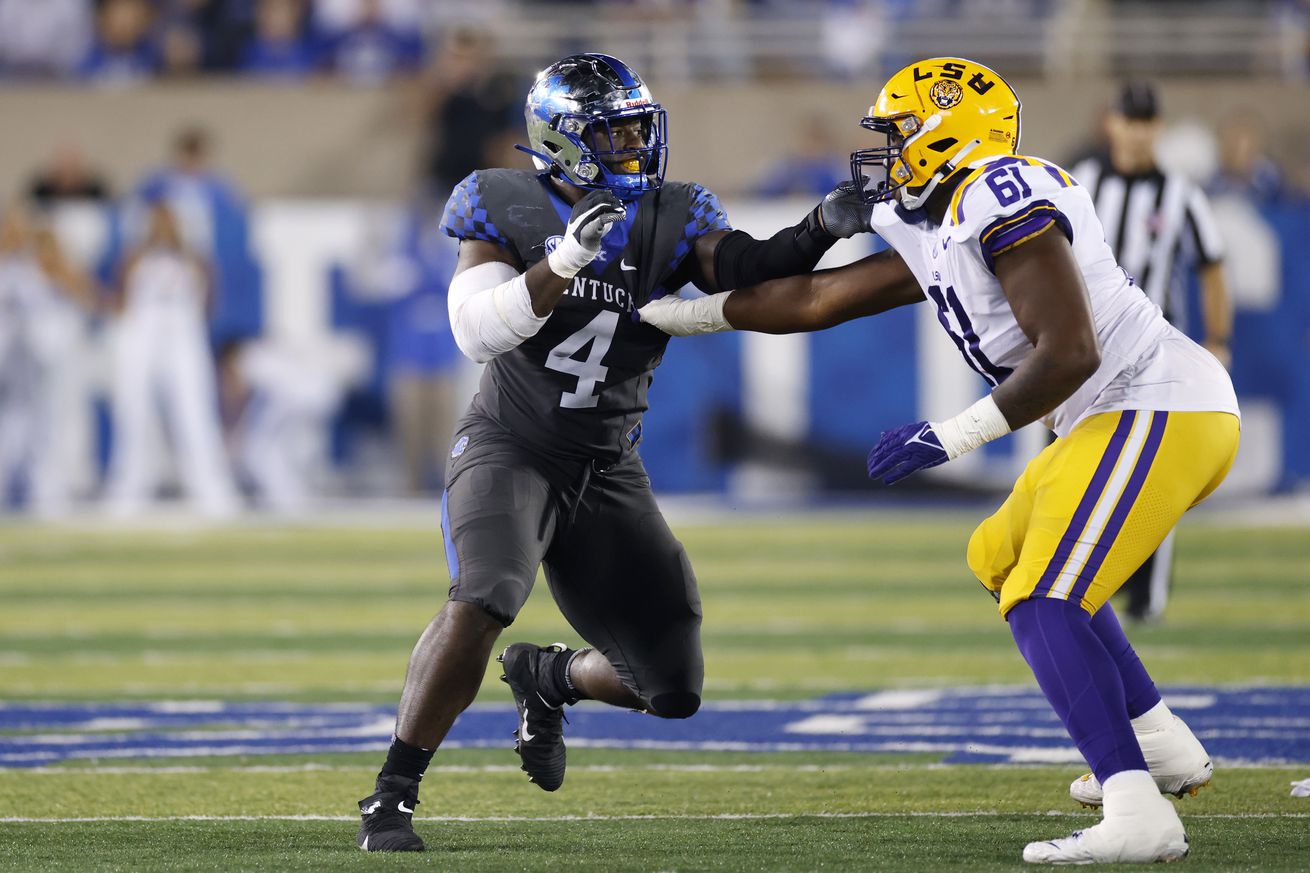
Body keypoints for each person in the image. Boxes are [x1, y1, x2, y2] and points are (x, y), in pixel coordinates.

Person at [639, 57, 1239, 865]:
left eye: (896, 131)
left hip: (1157, 400)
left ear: (947, 128)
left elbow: (1069, 353)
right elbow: (818, 301)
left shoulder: (1001, 193)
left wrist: (950, 436)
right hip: (1117, 412)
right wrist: (679, 317)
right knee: (1001, 555)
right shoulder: (941, 217)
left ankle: (1138, 810)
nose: (886, 151)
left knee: (1047, 598)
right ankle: (1158, 743)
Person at [355, 52, 865, 852]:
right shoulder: (504, 200)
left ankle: (548, 677)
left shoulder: (672, 211)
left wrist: (820, 229)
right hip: (512, 445)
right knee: (485, 593)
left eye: (637, 127)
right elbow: (474, 328)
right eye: (615, 131)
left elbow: (740, 267)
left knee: (670, 685)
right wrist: (560, 262)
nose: (634, 144)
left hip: (607, 464)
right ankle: (392, 791)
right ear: (563, 140)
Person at [1069, 81, 1232, 623]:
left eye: (1146, 121)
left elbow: (1211, 266)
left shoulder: (1182, 193)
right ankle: (1089, 584)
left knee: (1154, 474)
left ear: (1157, 127)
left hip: (1159, 351)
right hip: (1089, 349)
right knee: (1084, 466)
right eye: (1129, 120)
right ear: (1111, 123)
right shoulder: (1082, 184)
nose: (1137, 131)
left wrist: (1218, 339)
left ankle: (1147, 597)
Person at [104, 201, 239, 518]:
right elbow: (122, 297)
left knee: (194, 412)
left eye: (169, 221)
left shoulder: (194, 259)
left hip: (182, 337)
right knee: (133, 411)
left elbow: (209, 299)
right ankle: (128, 490)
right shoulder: (135, 257)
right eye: (158, 221)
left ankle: (212, 492)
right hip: (143, 336)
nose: (163, 227)